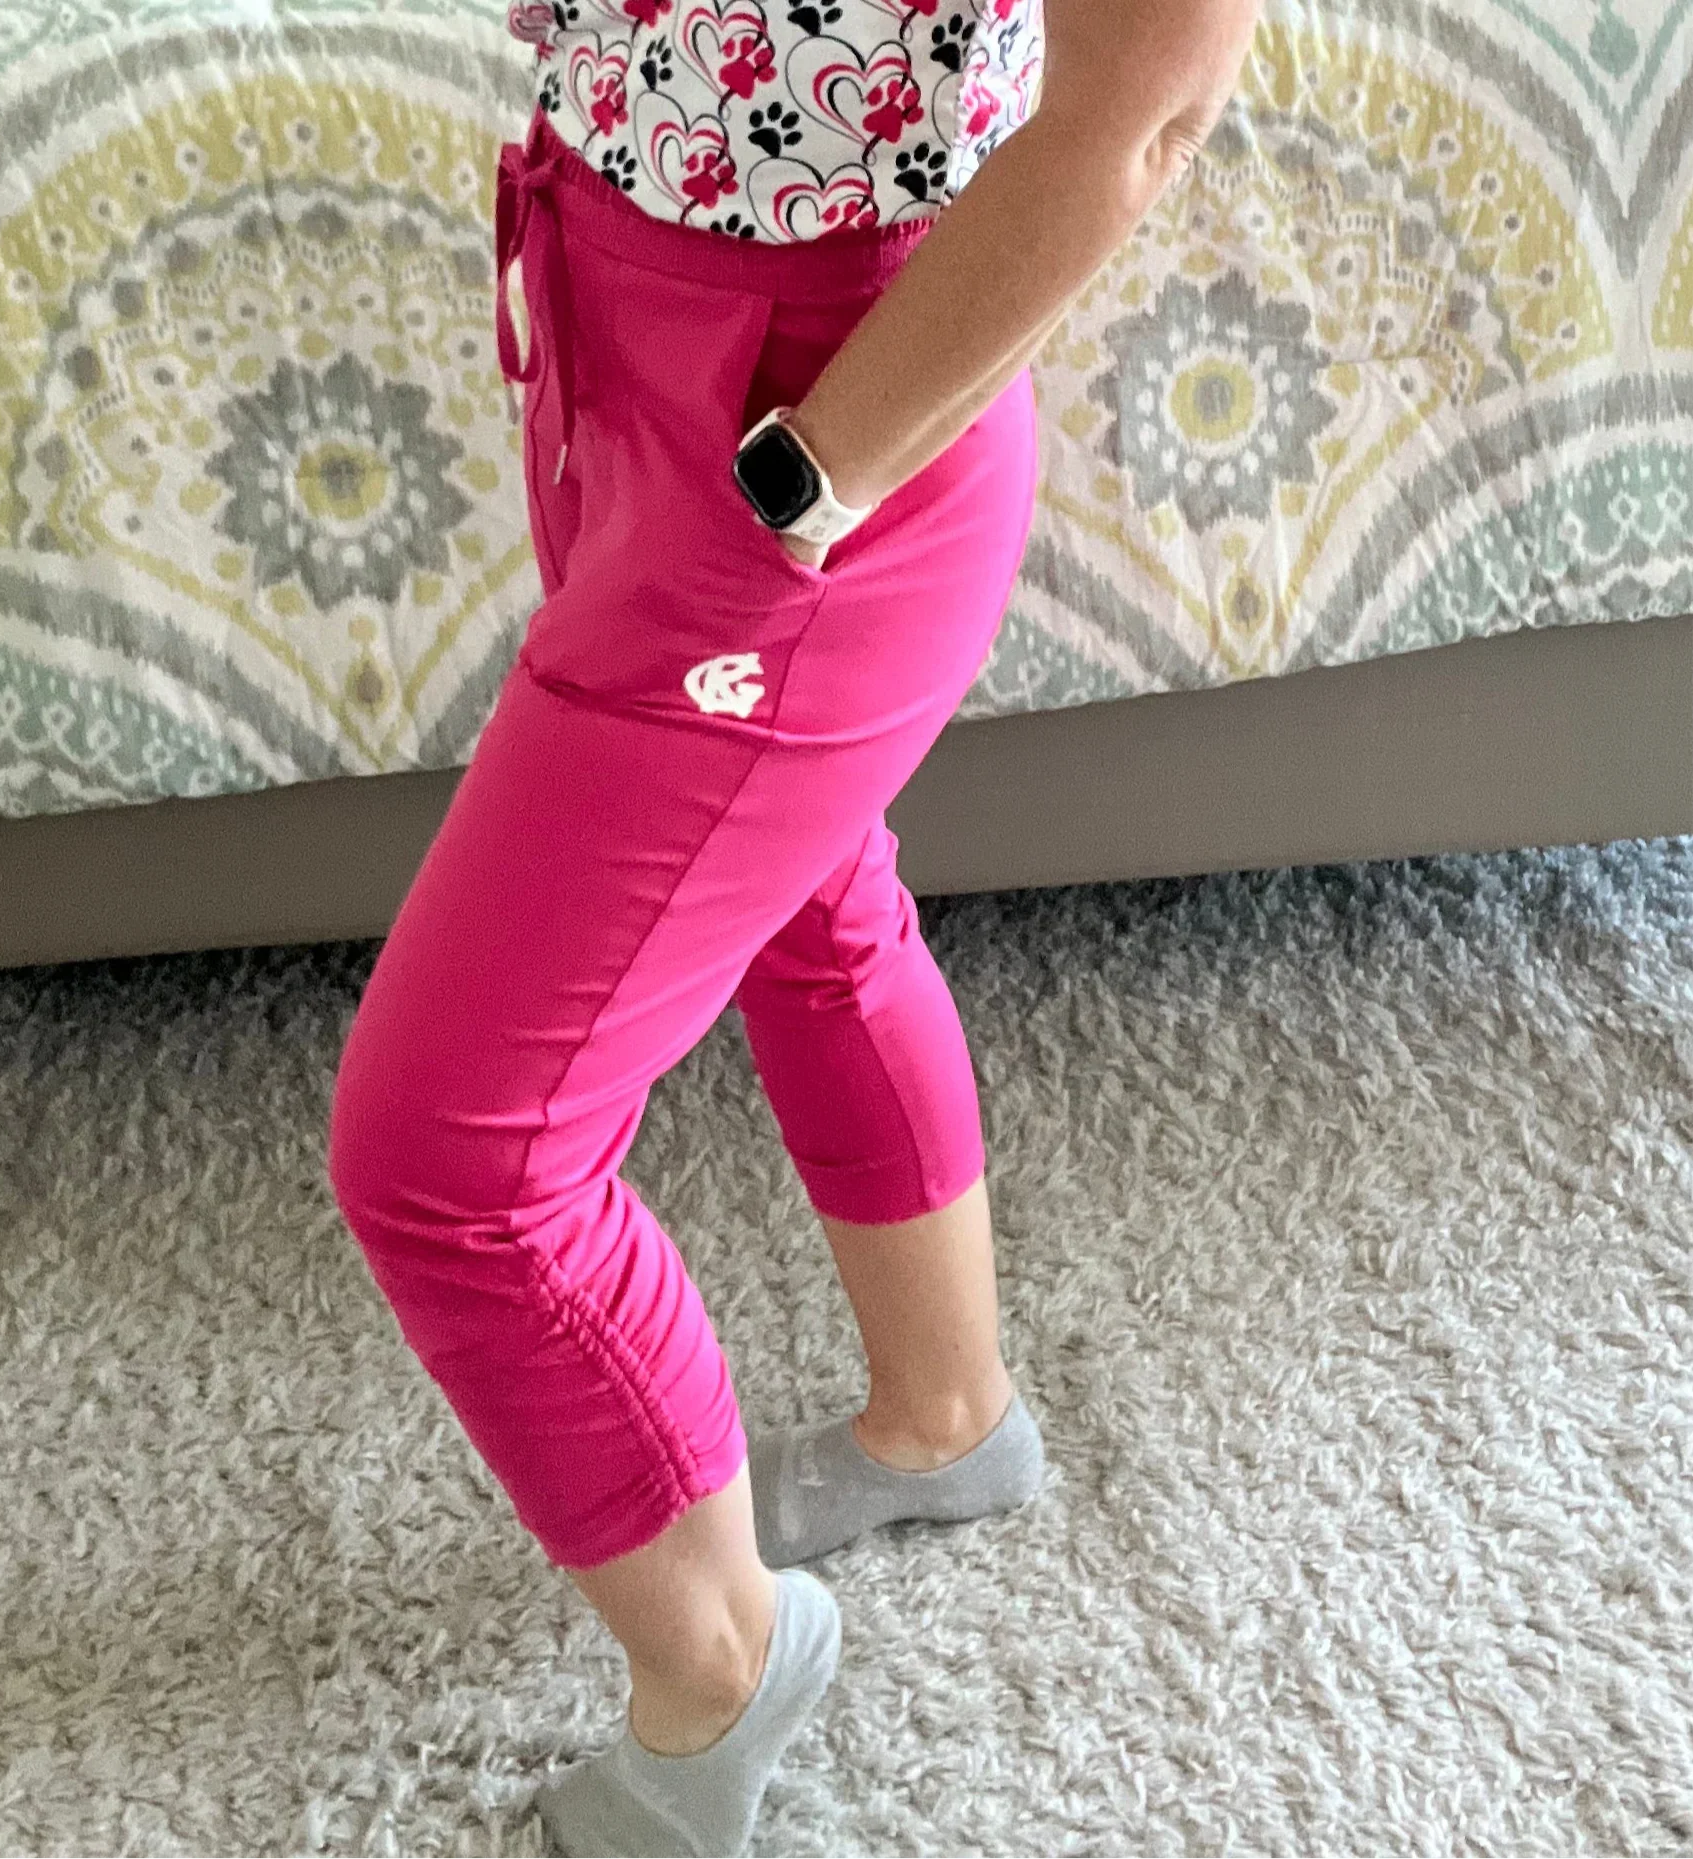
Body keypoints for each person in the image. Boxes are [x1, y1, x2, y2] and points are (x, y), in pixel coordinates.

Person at [326, 0, 1259, 1851]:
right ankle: (947, 1411)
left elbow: (1142, 119)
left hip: (821, 415)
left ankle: (722, 1672)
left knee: (451, 1155)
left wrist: (805, 475)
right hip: (612, 302)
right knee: (811, 895)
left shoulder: (809, 451)